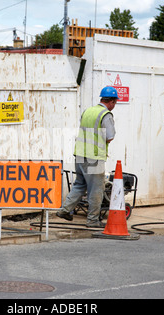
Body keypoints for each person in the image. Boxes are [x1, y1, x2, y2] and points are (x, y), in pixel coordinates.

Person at [57, 86, 118, 227]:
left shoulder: (88, 111)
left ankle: (65, 210)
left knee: (80, 184)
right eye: (115, 102)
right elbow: (110, 137)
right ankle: (92, 220)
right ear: (112, 102)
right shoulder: (106, 115)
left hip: (79, 154)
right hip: (94, 157)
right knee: (96, 189)